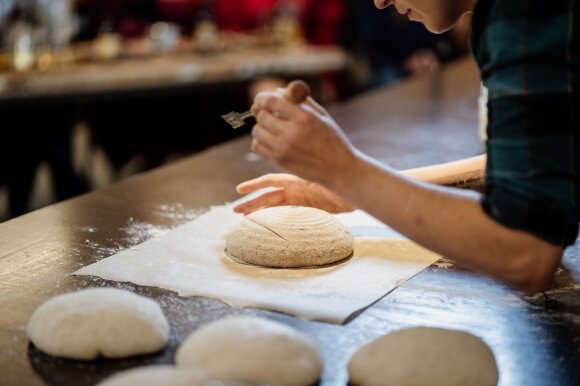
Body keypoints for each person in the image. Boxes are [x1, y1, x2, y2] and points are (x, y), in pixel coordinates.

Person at [233, 0, 580, 293]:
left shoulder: (525, 11)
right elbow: (534, 165)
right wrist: (343, 192)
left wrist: (345, 171)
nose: (380, 2)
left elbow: (525, 251)